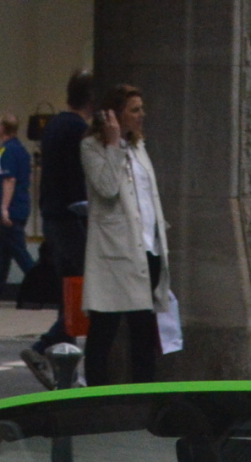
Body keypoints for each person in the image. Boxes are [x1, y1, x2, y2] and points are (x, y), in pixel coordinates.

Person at [79, 84, 169, 387]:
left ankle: (144, 394)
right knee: (104, 326)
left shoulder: (139, 147)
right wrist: (113, 144)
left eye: (141, 108)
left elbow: (148, 196)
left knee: (144, 329)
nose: (142, 115)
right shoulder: (92, 147)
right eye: (134, 110)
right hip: (115, 253)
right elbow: (107, 187)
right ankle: (95, 394)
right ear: (114, 116)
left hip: (147, 249)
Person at [20, 71, 96, 387]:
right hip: (72, 219)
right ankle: (45, 347)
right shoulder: (78, 129)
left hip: (54, 218)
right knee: (84, 293)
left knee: (71, 292)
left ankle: (66, 364)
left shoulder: (53, 125)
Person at [0, 116, 34, 303]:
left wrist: (4, 208)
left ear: (3, 127)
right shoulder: (18, 150)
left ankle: (44, 284)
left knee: (19, 252)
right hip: (17, 207)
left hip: (11, 210)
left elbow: (9, 180)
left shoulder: (8, 151)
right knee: (3, 253)